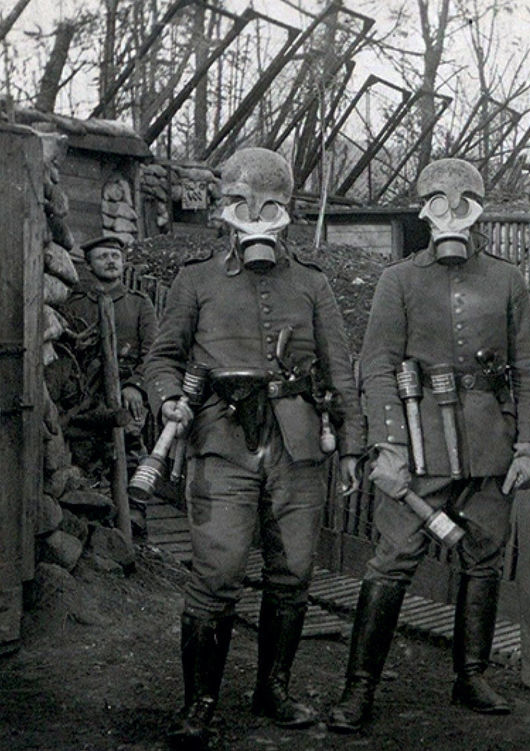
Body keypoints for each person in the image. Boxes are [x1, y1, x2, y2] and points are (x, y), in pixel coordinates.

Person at [143, 147, 364, 749]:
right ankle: (199, 704)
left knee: (292, 574)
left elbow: (340, 371)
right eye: (242, 205)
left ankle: (273, 688)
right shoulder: (195, 279)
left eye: (268, 206)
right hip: (222, 442)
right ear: (225, 210)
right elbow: (162, 358)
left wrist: (351, 446)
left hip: (298, 445)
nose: (255, 218)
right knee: (217, 574)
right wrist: (169, 399)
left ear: (285, 211)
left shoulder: (312, 284)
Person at [328, 157, 530, 733]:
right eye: (437, 203)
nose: (451, 215)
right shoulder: (398, 280)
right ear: (423, 212)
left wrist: (528, 444)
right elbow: (377, 366)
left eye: (463, 203)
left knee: (484, 557)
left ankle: (471, 676)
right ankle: (359, 687)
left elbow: (527, 368)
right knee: (393, 559)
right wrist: (389, 444)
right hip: (419, 446)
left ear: (478, 212)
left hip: (490, 445)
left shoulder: (506, 279)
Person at [57, 235, 158, 534]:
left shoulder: (139, 303)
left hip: (127, 391)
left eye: (115, 256)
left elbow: (153, 352)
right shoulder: (74, 304)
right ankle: (93, 516)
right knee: (85, 452)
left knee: (131, 448)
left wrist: (136, 386)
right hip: (85, 392)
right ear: (89, 265)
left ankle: (135, 513)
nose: (111, 261)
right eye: (103, 257)